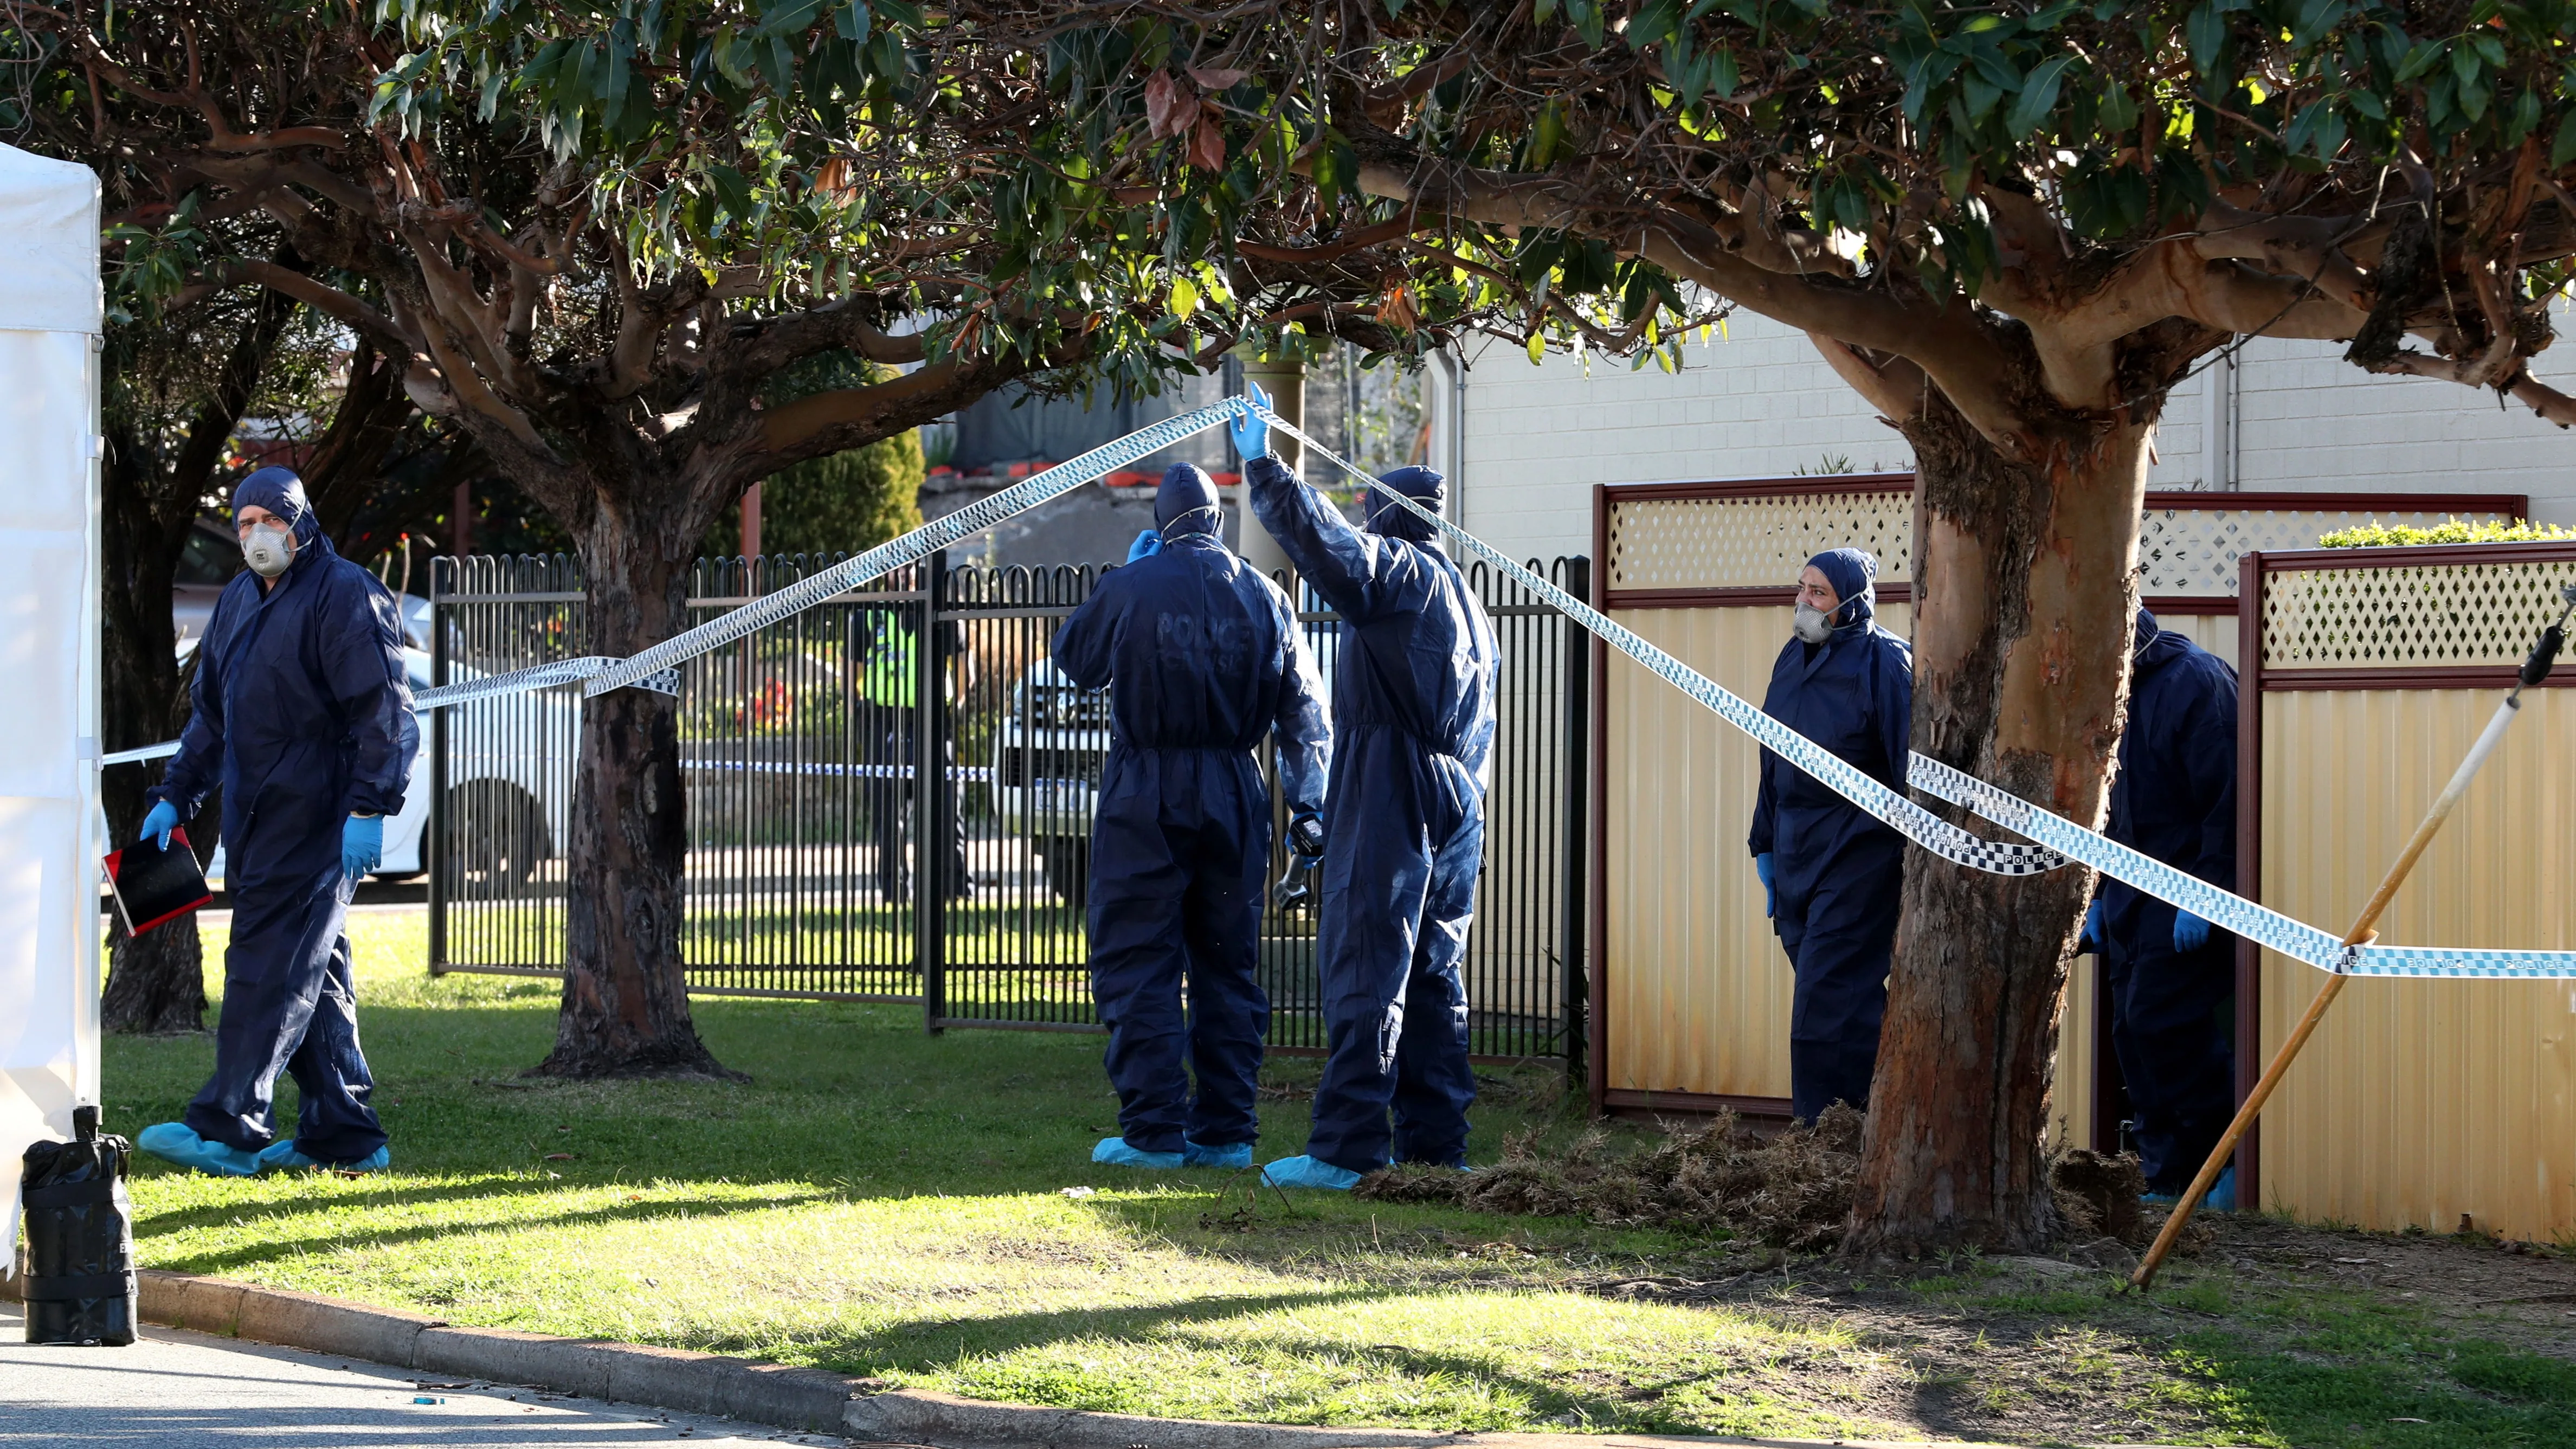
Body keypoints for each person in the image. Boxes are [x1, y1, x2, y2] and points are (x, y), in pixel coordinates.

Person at [1234, 387, 1499, 1190]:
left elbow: (1330, 548)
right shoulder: (1473, 606)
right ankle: (1435, 1149)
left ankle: (1347, 1148)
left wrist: (1264, 470)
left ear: (1391, 515)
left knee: (1365, 956)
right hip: (1460, 797)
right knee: (1432, 974)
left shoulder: (1404, 574)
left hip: (1394, 784)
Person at [134, 468, 415, 1176]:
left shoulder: (345, 593)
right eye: (246, 520)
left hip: (320, 820)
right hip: (256, 819)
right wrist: (178, 794)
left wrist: (367, 809)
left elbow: (383, 712)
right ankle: (346, 1135)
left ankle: (231, 1125)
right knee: (312, 971)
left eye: (271, 518)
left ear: (301, 522)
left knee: (270, 965)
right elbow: (212, 717)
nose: (258, 533)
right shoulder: (236, 601)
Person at [1052, 463, 1331, 1170]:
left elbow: (1074, 660)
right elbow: (1305, 713)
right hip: (1235, 789)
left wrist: (1122, 581)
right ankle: (1227, 1132)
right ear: (1218, 520)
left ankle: (1153, 1132)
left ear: (1161, 523)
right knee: (1227, 963)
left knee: (1138, 957)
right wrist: (1309, 806)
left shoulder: (1134, 585)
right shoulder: (1267, 596)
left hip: (1148, 786)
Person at [1748, 548, 1912, 1124]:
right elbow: (1772, 757)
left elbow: (1910, 772)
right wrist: (1763, 843)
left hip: (1857, 856)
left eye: (1818, 593)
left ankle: (1821, 1139)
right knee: (1849, 1005)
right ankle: (1879, 1121)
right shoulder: (1792, 658)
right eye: (1801, 589)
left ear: (1850, 602)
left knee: (1823, 1007)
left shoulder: (1885, 663)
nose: (1804, 602)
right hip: (1795, 854)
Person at [2084, 609, 2240, 1208]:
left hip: (2185, 898)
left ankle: (2225, 1163)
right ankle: (2166, 1174)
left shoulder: (2196, 683)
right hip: (2128, 894)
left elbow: (2228, 800)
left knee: (2165, 1026)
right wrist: (2098, 897)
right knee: (2131, 1033)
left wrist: (2206, 891)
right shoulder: (2109, 695)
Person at [859, 604, 972, 901]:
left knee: (947, 806)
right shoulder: (870, 616)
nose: (904, 571)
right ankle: (894, 892)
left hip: (933, 717)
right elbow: (852, 672)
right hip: (884, 718)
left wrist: (951, 709)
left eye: (910, 564)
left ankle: (955, 890)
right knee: (888, 811)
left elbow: (964, 670)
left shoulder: (942, 611)